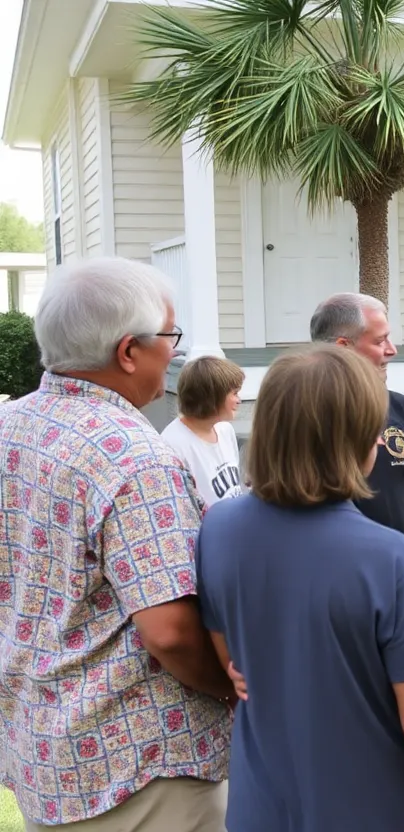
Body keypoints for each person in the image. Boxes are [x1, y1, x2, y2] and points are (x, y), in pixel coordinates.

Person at [196, 345, 404, 832]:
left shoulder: (218, 527)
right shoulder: (389, 557)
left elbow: (230, 659)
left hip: (262, 803)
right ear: (357, 440)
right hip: (370, 803)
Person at [0, 257, 235, 830]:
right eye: (170, 338)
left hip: (41, 749)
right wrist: (231, 686)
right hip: (139, 767)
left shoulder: (10, 426)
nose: (175, 354)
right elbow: (171, 632)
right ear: (128, 351)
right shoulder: (135, 456)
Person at [310, 293, 404, 627]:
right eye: (381, 341)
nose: (392, 350)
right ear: (344, 346)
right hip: (340, 594)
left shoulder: (400, 408)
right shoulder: (307, 417)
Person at [161, 355, 246, 509]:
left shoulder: (225, 430)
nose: (239, 400)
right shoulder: (173, 445)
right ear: (213, 397)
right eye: (234, 393)